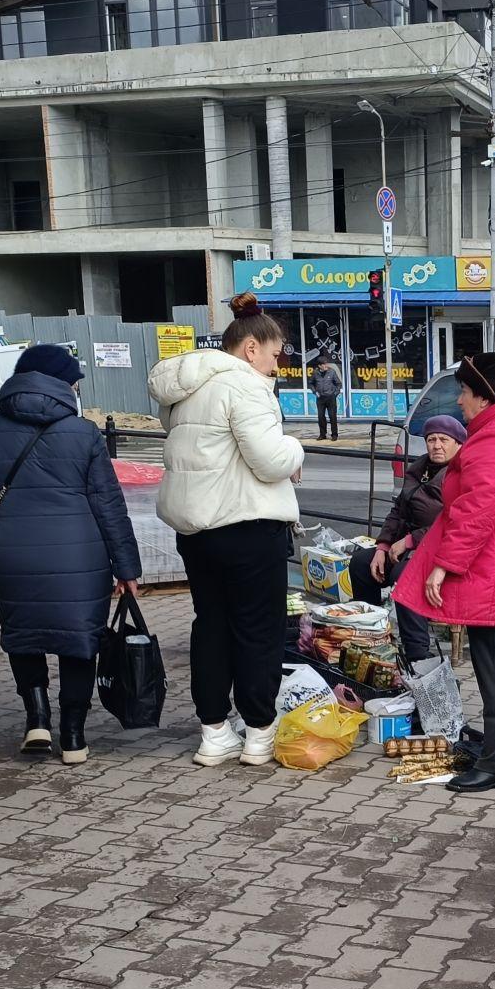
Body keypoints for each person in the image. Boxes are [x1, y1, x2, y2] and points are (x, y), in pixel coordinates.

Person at [0, 345, 141, 766]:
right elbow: (108, 504)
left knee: (23, 635)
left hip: (16, 556)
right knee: (80, 642)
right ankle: (75, 736)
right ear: (61, 383)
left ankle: (38, 721)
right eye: (74, 379)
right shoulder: (84, 433)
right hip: (81, 558)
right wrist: (127, 567)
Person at [394, 352, 495, 794]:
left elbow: (475, 511)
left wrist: (445, 567)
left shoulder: (494, 438)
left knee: (493, 663)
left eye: (464, 393)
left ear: (484, 397)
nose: (460, 401)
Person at [151, 293, 305, 768]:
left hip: (197, 530)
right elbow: (269, 458)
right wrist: (297, 451)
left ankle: (214, 731)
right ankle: (259, 731)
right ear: (251, 348)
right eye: (275, 354)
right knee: (258, 631)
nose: (277, 365)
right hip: (247, 526)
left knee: (211, 627)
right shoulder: (244, 385)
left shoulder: (186, 386)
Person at [349, 414, 464, 664]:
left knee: (405, 578)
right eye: (431, 439)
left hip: (441, 553)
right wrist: (382, 546)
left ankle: (418, 655)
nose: (437, 445)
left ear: (458, 444)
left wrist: (411, 540)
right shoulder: (419, 469)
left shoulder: (461, 473)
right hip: (406, 545)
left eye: (444, 439)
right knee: (360, 563)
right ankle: (372, 634)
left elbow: (454, 522)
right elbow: (398, 511)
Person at [309, 353, 343, 442]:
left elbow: (338, 384)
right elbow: (311, 383)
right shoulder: (315, 373)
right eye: (323, 364)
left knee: (332, 417)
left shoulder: (331, 372)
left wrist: (335, 393)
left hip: (331, 398)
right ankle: (322, 434)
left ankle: (334, 435)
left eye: (326, 363)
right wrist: (314, 391)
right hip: (320, 399)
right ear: (319, 366)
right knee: (321, 417)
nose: (325, 366)